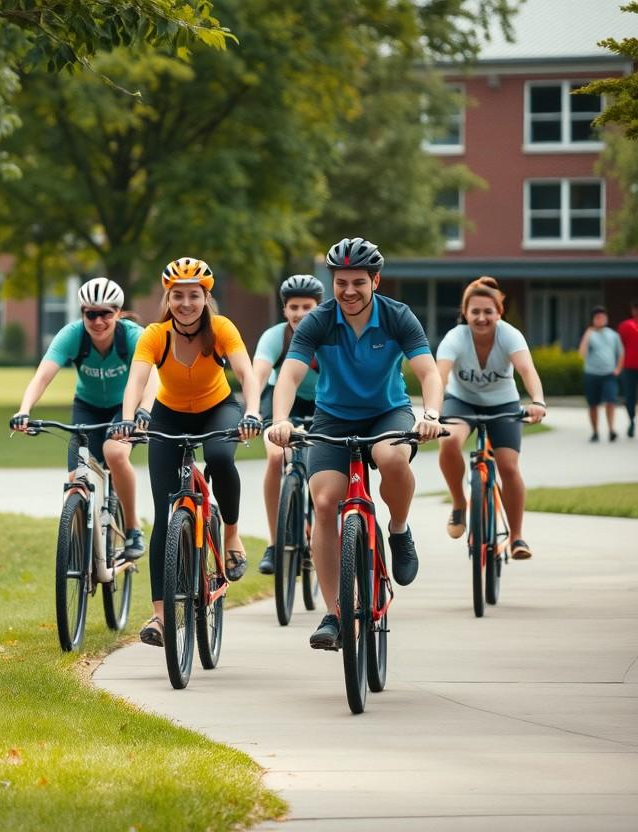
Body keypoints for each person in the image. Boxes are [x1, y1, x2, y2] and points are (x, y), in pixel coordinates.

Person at [265, 237, 443, 651]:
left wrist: (430, 415)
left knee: (391, 456)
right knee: (326, 502)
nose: (348, 290)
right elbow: (289, 376)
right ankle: (336, 613)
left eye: (358, 282)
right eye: (341, 282)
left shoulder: (398, 317)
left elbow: (429, 374)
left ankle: (398, 529)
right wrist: (279, 421)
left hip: (388, 412)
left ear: (375, 281)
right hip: (333, 417)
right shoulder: (318, 321)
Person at [109, 257, 262, 647]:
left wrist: (254, 411)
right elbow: (137, 380)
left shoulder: (222, 328)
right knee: (164, 515)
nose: (186, 303)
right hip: (169, 414)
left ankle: (230, 534)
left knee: (221, 457)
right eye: (178, 296)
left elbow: (246, 372)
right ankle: (161, 617)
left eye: (194, 295)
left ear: (206, 298)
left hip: (219, 409)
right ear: (168, 298)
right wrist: (128, 418)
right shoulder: (155, 335)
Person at [11, 277, 151, 559]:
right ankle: (78, 546)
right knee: (77, 477)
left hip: (124, 408)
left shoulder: (134, 337)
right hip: (87, 405)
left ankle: (134, 529)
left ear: (118, 314)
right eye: (91, 314)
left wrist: (141, 412)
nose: (98, 321)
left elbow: (152, 379)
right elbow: (42, 376)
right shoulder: (72, 335)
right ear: (82, 313)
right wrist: (24, 410)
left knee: (115, 453)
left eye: (105, 314)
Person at [435, 277, 547, 559]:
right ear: (465, 313)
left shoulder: (510, 335)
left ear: (499, 312)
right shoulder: (455, 338)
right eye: (475, 312)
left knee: (508, 466)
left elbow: (527, 370)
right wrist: (433, 414)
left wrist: (537, 402)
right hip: (461, 402)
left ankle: (517, 537)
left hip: (503, 404)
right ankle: (459, 504)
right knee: (449, 442)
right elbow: (439, 377)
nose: (482, 318)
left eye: (488, 311)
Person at [253, 274, 324, 575]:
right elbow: (258, 375)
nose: (299, 313)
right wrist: (253, 411)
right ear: (284, 310)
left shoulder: (330, 335)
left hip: (323, 404)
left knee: (324, 468)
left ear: (319, 308)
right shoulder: (275, 337)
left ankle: (319, 538)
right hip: (283, 402)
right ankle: (274, 542)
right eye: (293, 307)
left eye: (307, 307)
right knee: (274, 456)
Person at [578, 305, 624, 443]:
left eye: (603, 317)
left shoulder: (613, 335)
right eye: (597, 317)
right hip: (592, 374)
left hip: (609, 374)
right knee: (593, 405)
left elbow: (621, 353)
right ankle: (595, 432)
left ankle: (611, 430)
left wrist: (618, 369)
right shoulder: (590, 335)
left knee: (611, 401)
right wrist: (587, 333)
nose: (601, 319)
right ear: (593, 320)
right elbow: (581, 353)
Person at [616, 299, 638, 439]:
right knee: (630, 396)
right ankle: (631, 420)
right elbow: (619, 348)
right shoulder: (625, 326)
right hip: (629, 367)